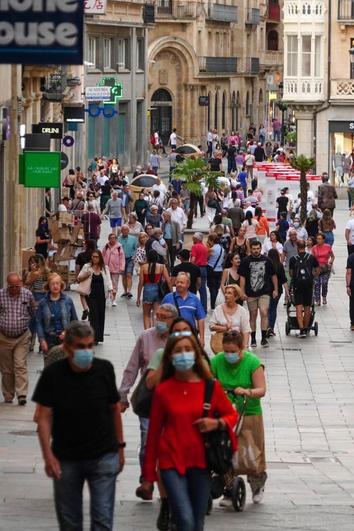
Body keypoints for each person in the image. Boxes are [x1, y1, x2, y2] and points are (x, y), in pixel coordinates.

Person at [32, 321, 125, 530]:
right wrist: (48, 456)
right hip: (66, 457)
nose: (86, 351)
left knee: (102, 520)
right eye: (80, 347)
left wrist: (120, 447)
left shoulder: (104, 369)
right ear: (67, 348)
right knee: (70, 522)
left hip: (103, 454)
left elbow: (114, 409)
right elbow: (44, 416)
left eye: (90, 346)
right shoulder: (53, 374)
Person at [141, 332, 237, 531]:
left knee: (197, 522)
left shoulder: (210, 387)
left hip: (201, 462)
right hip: (171, 461)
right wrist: (149, 476)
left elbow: (231, 415)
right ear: (170, 357)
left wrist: (216, 423)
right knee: (184, 519)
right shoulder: (163, 390)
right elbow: (153, 435)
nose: (183, 355)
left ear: (196, 354)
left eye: (187, 350)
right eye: (178, 351)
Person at [119, 305, 178, 510]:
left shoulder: (180, 340)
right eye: (157, 316)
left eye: (163, 317)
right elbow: (133, 366)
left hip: (175, 401)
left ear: (173, 320)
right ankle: (147, 479)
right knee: (147, 439)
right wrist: (123, 395)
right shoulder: (145, 337)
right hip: (150, 398)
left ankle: (167, 480)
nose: (158, 320)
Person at [211, 331, 267, 505]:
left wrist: (247, 391)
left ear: (241, 348)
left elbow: (261, 390)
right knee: (225, 450)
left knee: (251, 451)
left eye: (233, 351)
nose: (229, 354)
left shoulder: (253, 363)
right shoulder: (216, 361)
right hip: (225, 412)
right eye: (226, 350)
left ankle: (257, 484)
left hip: (248, 410)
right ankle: (229, 488)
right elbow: (208, 382)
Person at [0, 273, 36, 405]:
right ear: (7, 284)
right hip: (4, 337)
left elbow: (33, 312)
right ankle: (8, 395)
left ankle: (21, 395)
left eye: (17, 286)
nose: (15, 288)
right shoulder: (1, 295)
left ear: (20, 284)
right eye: (12, 286)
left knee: (20, 365)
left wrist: (28, 328)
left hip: (22, 336)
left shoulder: (27, 294)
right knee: (6, 368)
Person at [239, 240, 278, 348]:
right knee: (253, 315)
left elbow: (273, 275)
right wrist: (242, 292)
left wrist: (275, 289)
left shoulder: (267, 260)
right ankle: (253, 338)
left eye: (258, 248)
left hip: (265, 292)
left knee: (264, 312)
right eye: (254, 249)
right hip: (250, 293)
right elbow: (242, 277)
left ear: (261, 249)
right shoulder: (245, 261)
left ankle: (264, 338)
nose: (256, 251)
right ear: (250, 249)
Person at [36, 272, 77, 356]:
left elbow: (75, 321)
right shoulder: (43, 302)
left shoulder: (67, 301)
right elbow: (39, 322)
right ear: (48, 286)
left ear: (61, 285)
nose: (55, 286)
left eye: (57, 283)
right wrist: (42, 340)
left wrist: (67, 332)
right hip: (49, 340)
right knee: (51, 366)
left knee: (64, 366)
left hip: (65, 340)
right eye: (52, 284)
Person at [78, 250, 113, 344]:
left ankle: (98, 337)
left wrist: (111, 290)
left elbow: (108, 280)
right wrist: (87, 274)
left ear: (100, 257)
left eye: (96, 257)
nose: (94, 258)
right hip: (91, 294)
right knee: (93, 315)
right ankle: (92, 337)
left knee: (101, 315)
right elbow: (79, 277)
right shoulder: (87, 266)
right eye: (93, 256)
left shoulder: (105, 268)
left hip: (102, 294)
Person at [162, 272, 206, 346]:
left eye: (182, 282)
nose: (179, 284)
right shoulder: (168, 298)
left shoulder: (194, 299)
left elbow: (200, 319)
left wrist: (201, 338)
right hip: (172, 337)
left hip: (190, 337)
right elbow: (160, 317)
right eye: (177, 282)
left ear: (188, 284)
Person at [289, 240, 319, 337]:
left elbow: (290, 273)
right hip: (308, 285)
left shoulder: (293, 259)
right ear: (305, 246)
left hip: (298, 285)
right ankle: (306, 329)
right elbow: (317, 269)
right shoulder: (311, 257)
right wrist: (312, 276)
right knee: (307, 308)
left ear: (297, 247)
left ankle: (301, 329)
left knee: (298, 307)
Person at [137, 250, 172, 329]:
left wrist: (138, 297)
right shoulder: (162, 267)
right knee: (157, 315)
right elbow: (168, 281)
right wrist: (171, 293)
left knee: (146, 315)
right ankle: (158, 332)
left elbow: (140, 283)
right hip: (158, 292)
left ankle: (147, 333)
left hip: (147, 291)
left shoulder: (143, 267)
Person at [25, 254, 49, 350]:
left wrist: (32, 271)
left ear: (37, 263)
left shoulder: (36, 273)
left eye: (32, 262)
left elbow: (27, 282)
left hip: (36, 296)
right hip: (45, 296)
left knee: (34, 321)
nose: (31, 264)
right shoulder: (47, 271)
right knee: (43, 320)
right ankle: (42, 343)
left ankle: (31, 343)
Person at [267, 249, 288, 337]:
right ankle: (271, 327)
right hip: (277, 290)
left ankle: (266, 326)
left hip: (267, 290)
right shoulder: (279, 266)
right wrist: (287, 292)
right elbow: (284, 280)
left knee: (266, 309)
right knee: (273, 309)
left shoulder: (266, 265)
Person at [102, 233, 126, 306]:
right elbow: (102, 256)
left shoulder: (119, 247)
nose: (112, 239)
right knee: (106, 284)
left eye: (114, 238)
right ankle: (107, 298)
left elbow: (122, 258)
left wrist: (122, 267)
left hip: (116, 269)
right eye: (111, 238)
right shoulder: (106, 246)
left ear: (116, 239)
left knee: (114, 284)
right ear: (109, 239)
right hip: (106, 269)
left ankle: (114, 299)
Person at [312, 232, 335, 306]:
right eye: (317, 239)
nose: (318, 240)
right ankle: (317, 299)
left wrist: (330, 262)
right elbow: (312, 259)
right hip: (317, 268)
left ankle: (324, 296)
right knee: (317, 284)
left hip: (325, 268)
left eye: (319, 239)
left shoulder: (328, 247)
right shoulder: (314, 247)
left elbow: (332, 256)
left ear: (323, 240)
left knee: (324, 283)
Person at [75, 239, 96, 320]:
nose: (83, 245)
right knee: (91, 294)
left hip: (83, 277)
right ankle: (91, 310)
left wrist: (77, 277)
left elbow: (77, 267)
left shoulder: (81, 255)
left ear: (87, 245)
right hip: (94, 277)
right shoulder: (96, 254)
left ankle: (85, 309)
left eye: (84, 243)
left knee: (82, 293)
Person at [190, 232, 208, 313]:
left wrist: (190, 266)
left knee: (193, 288)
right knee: (203, 289)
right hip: (204, 269)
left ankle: (192, 306)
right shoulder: (205, 247)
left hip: (196, 268)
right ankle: (204, 309)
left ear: (196, 239)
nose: (192, 239)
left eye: (193, 238)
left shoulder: (195, 247)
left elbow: (193, 259)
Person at [207, 232, 225, 310]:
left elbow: (206, 258)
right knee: (216, 287)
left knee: (211, 287)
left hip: (211, 269)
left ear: (212, 240)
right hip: (219, 270)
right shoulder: (222, 249)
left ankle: (212, 303)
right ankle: (214, 301)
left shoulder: (211, 249)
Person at [119, 225, 138, 298]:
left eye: (126, 230)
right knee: (124, 276)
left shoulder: (133, 239)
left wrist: (134, 257)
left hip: (130, 258)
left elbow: (136, 248)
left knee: (129, 274)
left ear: (128, 231)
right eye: (123, 230)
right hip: (122, 259)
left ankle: (129, 291)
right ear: (121, 231)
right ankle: (125, 291)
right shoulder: (118, 239)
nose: (125, 231)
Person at [346, 253, 354, 330]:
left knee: (352, 304)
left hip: (353, 284)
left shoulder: (351, 257)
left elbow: (349, 272)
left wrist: (348, 286)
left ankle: (353, 323)